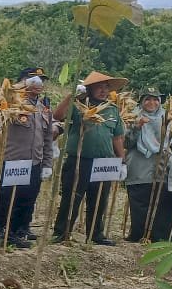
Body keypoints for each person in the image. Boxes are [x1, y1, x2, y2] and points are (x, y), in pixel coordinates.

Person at [51, 71, 127, 245]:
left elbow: (117, 138)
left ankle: (95, 234)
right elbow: (58, 116)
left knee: (99, 199)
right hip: (79, 159)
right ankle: (62, 232)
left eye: (106, 87)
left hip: (104, 161)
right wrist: (72, 95)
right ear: (90, 88)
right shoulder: (78, 105)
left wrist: (122, 161)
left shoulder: (112, 110)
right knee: (72, 197)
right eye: (99, 87)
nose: (103, 90)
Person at [0, 68, 55, 249]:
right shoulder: (12, 102)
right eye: (32, 79)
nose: (38, 83)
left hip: (34, 162)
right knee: (5, 199)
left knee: (25, 198)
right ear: (23, 81)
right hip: (12, 160)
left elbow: (47, 138)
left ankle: (14, 232)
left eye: (41, 80)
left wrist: (47, 163)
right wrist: (17, 89)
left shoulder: (44, 108)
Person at [123, 89, 172, 243]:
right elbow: (126, 143)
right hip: (140, 171)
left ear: (160, 102)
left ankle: (171, 239)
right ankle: (143, 237)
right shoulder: (132, 118)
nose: (152, 103)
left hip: (163, 170)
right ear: (141, 102)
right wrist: (136, 127)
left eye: (156, 100)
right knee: (141, 206)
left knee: (166, 205)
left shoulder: (166, 119)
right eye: (147, 99)